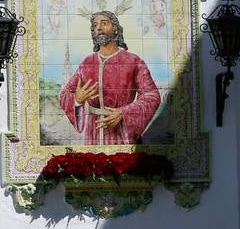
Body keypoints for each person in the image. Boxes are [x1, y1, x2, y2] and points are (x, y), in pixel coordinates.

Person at [58, 10, 162, 145]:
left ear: (116, 29)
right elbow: (65, 93)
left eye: (104, 23)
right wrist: (77, 99)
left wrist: (124, 113)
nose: (99, 28)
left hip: (121, 134)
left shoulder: (133, 61)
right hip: (93, 133)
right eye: (95, 25)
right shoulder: (87, 62)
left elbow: (152, 95)